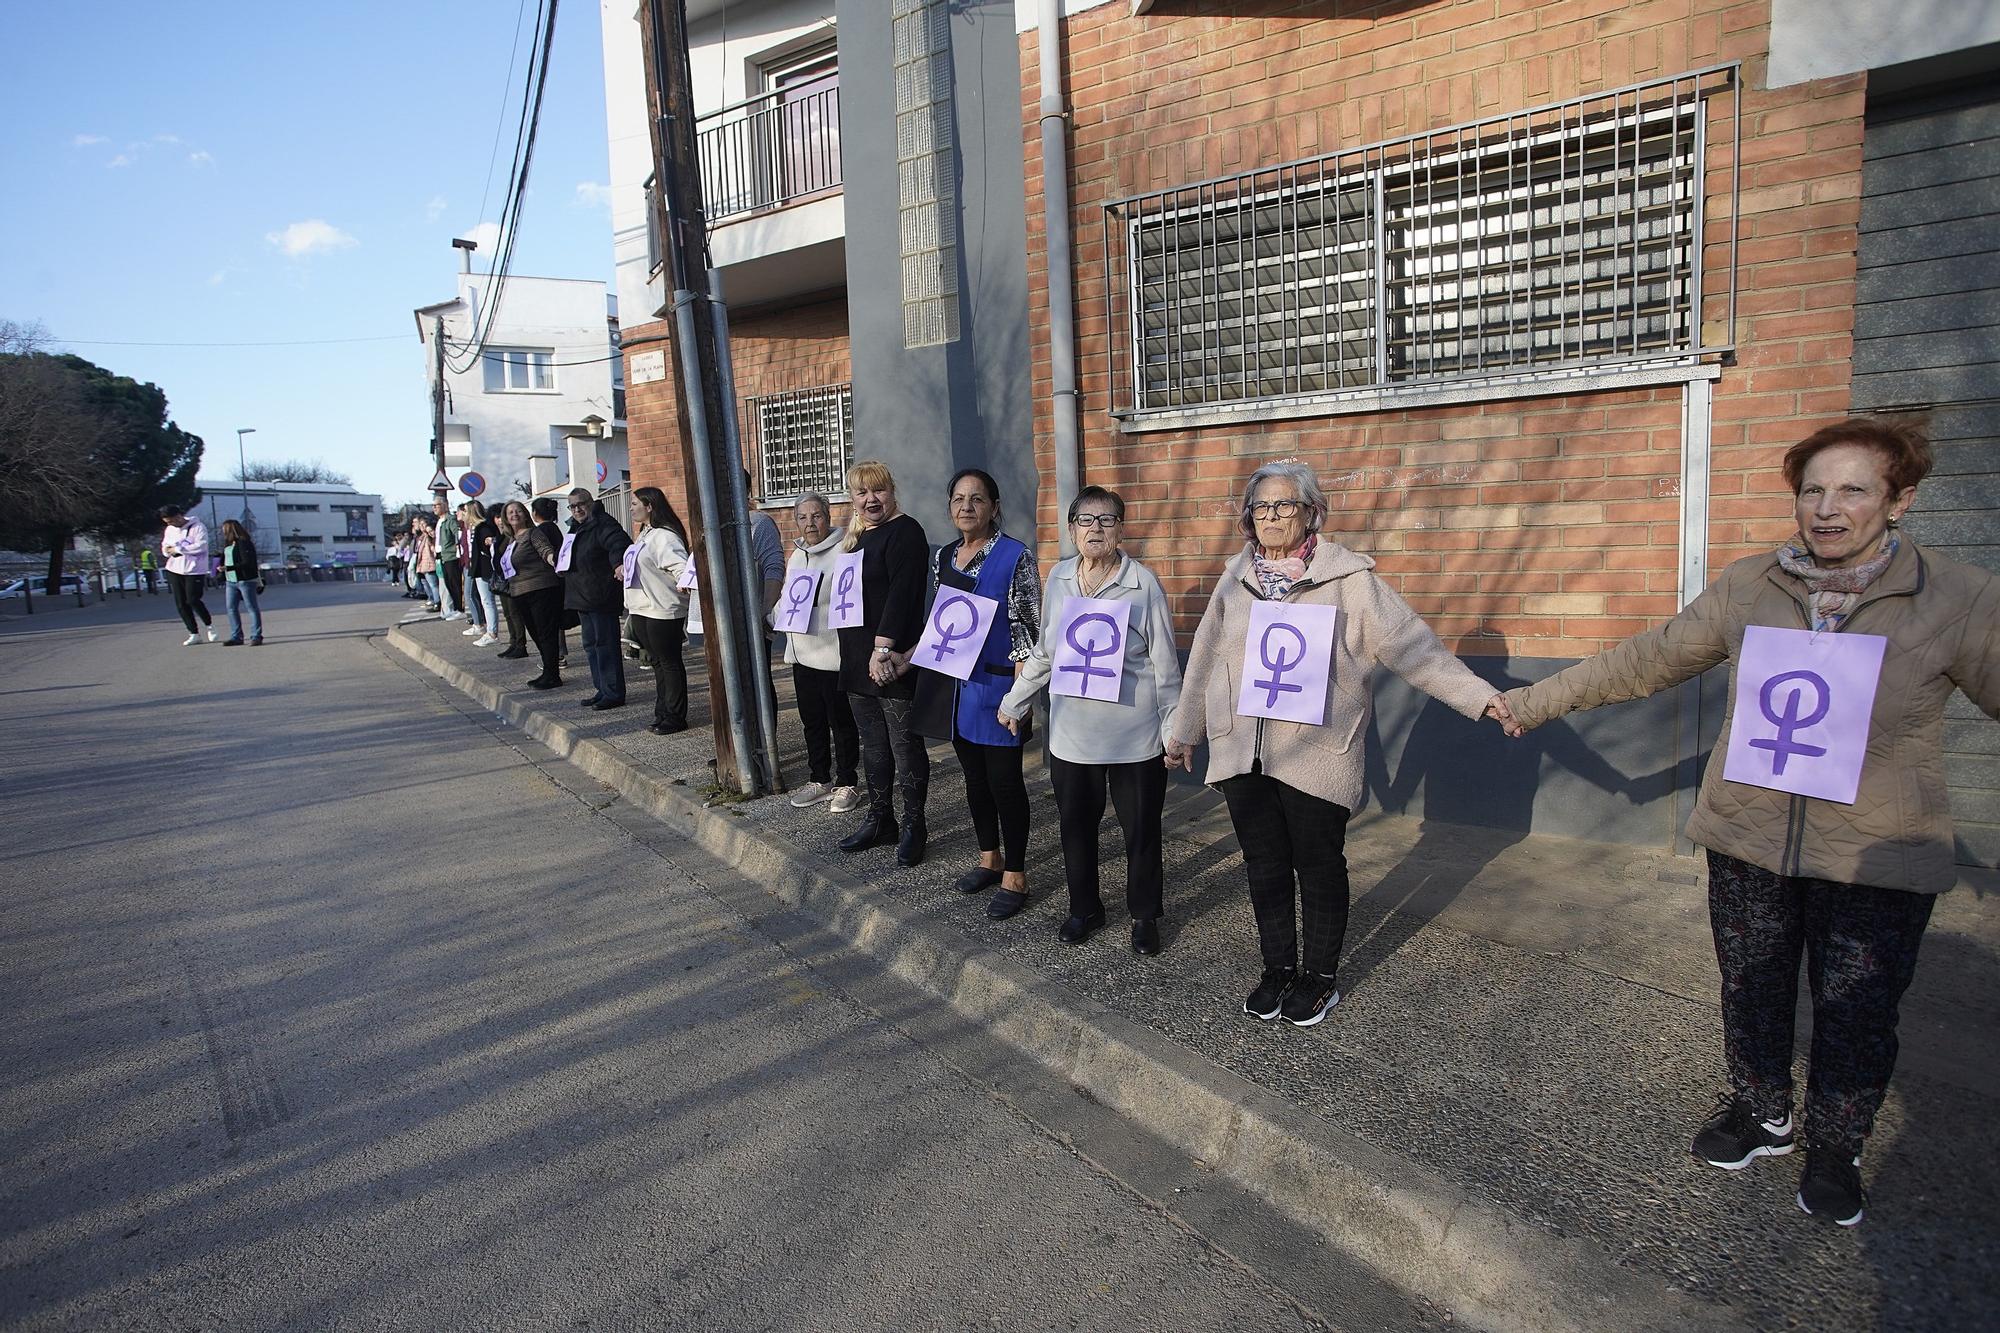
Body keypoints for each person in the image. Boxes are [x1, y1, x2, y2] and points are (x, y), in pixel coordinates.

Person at [1495, 419, 1997, 1227]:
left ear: (1901, 499)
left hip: (1876, 851)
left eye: (1854, 489)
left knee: (1857, 1007)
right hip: (1750, 835)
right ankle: (1762, 1109)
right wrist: (1534, 701)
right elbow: (1649, 656)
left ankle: (1838, 1142)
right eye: (1812, 490)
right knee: (1753, 984)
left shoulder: (1960, 596)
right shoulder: (1752, 583)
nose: (1827, 509)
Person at [1167, 460, 1513, 1029]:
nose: (1272, 515)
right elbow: (1204, 659)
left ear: (1312, 513)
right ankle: (1277, 968)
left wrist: (1480, 697)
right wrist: (1185, 733)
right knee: (1264, 865)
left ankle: (1320, 977)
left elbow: (1414, 649)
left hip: (1317, 753)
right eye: (1261, 506)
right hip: (1241, 752)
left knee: (1319, 864)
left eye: (1284, 505)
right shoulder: (1234, 580)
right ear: (1247, 518)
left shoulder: (1350, 581)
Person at [1000, 486, 1181, 953]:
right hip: (1071, 735)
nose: (1095, 528)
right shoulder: (1058, 578)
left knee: (1140, 831)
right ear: (1071, 529)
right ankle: (1085, 908)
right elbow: (1045, 652)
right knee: (1075, 827)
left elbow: (1164, 665)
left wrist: (1173, 729)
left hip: (1134, 737)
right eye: (1085, 520)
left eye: (1106, 520)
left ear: (1121, 530)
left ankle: (1144, 915)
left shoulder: (1143, 584)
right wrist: (1015, 700)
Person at [913, 469, 1042, 919]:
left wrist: (1021, 696)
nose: (967, 506)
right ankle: (990, 857)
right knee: (973, 780)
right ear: (950, 506)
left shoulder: (1014, 556)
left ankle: (1017, 874)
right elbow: (940, 621)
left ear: (993, 507)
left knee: (1005, 783)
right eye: (959, 498)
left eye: (978, 499)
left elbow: (1029, 628)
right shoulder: (944, 555)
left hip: (998, 686)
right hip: (957, 688)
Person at [835, 461, 932, 865]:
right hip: (857, 659)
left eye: (878, 491)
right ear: (853, 499)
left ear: (892, 492)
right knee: (873, 745)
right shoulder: (855, 539)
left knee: (904, 744)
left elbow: (902, 594)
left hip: (888, 657)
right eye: (862, 493)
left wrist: (883, 649)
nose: (871, 499)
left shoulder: (905, 532)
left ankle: (914, 825)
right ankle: (880, 819)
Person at [781, 494, 863, 813]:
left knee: (840, 722)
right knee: (811, 720)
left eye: (816, 516)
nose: (810, 523)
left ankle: (847, 782)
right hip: (802, 652)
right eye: (803, 517)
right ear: (796, 522)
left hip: (833, 653)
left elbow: (850, 598)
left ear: (828, 517)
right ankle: (819, 778)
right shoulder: (797, 556)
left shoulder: (844, 549)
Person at [625, 487, 693, 735]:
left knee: (669, 662)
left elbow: (679, 564)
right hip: (643, 607)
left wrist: (683, 579)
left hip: (662, 609)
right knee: (657, 663)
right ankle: (662, 711)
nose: (631, 508)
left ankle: (675, 716)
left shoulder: (664, 535)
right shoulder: (645, 534)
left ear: (650, 506)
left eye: (635, 504)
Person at [564, 487, 634, 709]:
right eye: (572, 506)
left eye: (581, 504)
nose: (577, 509)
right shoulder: (575, 528)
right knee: (591, 645)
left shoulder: (604, 524)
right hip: (582, 596)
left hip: (601, 596)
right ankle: (601, 689)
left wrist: (618, 564)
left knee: (606, 645)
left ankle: (613, 692)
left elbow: (618, 545)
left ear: (591, 502)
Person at [500, 499, 565, 689]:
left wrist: (554, 559)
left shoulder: (533, 533)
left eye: (518, 511)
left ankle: (552, 675)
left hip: (540, 589)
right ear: (506, 518)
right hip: (519, 592)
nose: (514, 514)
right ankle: (548, 670)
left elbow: (545, 550)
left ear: (525, 514)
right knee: (536, 633)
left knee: (545, 633)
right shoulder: (511, 540)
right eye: (510, 512)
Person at [159, 504, 217, 645]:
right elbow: (165, 547)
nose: (170, 524)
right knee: (181, 603)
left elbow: (201, 546)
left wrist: (179, 549)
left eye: (171, 521)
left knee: (192, 600)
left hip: (194, 569)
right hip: (175, 568)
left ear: (178, 516)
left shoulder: (198, 527)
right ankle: (193, 633)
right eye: (167, 522)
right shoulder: (170, 530)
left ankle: (209, 625)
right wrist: (167, 550)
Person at [532, 497, 571, 667]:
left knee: (550, 620)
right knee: (555, 619)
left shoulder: (540, 531)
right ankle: (559, 654)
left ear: (534, 514)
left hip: (548, 580)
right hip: (558, 578)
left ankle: (557, 656)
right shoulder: (555, 528)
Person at [217, 519, 265, 646]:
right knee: (231, 608)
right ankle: (236, 636)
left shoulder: (244, 543)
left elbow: (247, 562)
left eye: (224, 529)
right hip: (230, 580)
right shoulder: (228, 544)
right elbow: (225, 560)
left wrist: (229, 568)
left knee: (251, 608)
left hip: (245, 580)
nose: (222, 532)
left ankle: (256, 636)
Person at [465, 500, 503, 648]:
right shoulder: (479, 527)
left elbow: (490, 541)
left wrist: (490, 541)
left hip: (484, 569)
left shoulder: (482, 528)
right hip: (480, 568)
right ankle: (490, 631)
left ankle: (492, 633)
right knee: (486, 600)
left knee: (487, 601)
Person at [432, 496, 465, 621]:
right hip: (442, 556)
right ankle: (455, 609)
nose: (434, 508)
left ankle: (460, 609)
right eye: (433, 505)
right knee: (448, 583)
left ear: (445, 505)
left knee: (455, 583)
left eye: (437, 505)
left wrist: (456, 550)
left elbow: (457, 534)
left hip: (451, 555)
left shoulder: (450, 519)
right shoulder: (439, 521)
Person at [410, 518, 439, 611]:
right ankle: (433, 599)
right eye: (420, 524)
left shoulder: (427, 537)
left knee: (433, 584)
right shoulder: (421, 537)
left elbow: (430, 550)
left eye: (423, 524)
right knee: (427, 583)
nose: (421, 526)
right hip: (423, 564)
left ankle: (437, 602)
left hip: (429, 563)